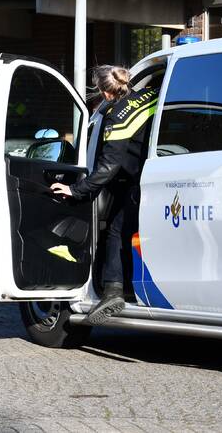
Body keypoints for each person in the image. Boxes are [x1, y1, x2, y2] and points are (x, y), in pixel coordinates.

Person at [50, 65, 159, 325]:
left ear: (104, 92)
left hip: (142, 184)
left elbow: (107, 169)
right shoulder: (151, 96)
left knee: (115, 231)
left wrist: (75, 190)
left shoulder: (117, 117)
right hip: (161, 174)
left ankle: (113, 291)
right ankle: (135, 285)